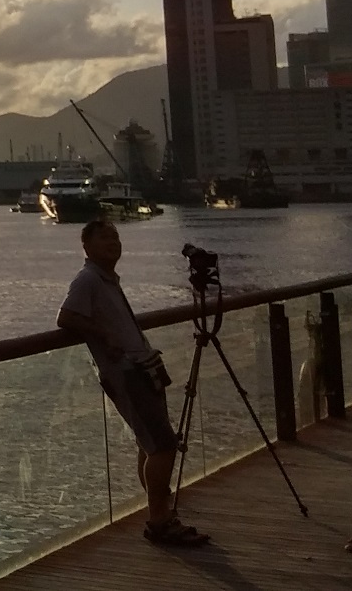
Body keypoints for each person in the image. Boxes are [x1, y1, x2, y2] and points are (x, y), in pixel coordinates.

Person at [57, 218, 210, 547]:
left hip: (140, 368)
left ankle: (160, 513)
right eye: (104, 238)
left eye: (116, 237)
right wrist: (105, 336)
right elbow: (66, 317)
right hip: (125, 373)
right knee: (164, 444)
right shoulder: (87, 280)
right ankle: (159, 520)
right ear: (86, 246)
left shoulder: (106, 280)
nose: (113, 242)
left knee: (150, 443)